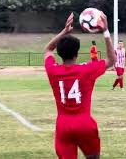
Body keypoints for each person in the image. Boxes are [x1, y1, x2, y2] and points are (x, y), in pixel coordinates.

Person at [44, 12, 115, 159]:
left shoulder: (53, 71)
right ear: (76, 53)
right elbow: (112, 59)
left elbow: (48, 50)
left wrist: (64, 31)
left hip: (63, 125)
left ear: (60, 53)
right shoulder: (87, 70)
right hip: (85, 124)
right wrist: (106, 31)